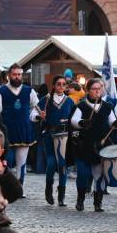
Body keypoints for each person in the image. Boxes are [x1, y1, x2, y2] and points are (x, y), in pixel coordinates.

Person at [70, 79, 117, 212]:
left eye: (99, 88)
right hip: (84, 145)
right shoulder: (82, 106)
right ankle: (80, 200)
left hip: (100, 145)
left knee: (99, 175)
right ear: (88, 90)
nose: (97, 91)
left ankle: (98, 202)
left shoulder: (107, 106)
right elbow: (73, 120)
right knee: (83, 174)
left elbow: (113, 120)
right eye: (94, 89)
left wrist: (116, 123)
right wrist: (81, 122)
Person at [0, 64, 38, 193]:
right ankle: (6, 187)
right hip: (6, 132)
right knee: (7, 161)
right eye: (14, 74)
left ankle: (19, 188)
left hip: (24, 130)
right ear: (9, 75)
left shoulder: (29, 91)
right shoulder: (0, 91)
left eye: (19, 74)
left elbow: (36, 109)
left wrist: (37, 117)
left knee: (21, 162)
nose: (17, 77)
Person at [31, 76, 74, 207]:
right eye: (58, 84)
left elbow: (75, 118)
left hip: (64, 135)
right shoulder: (46, 99)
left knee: (62, 164)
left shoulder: (69, 101)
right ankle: (48, 188)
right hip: (49, 134)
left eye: (63, 84)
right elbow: (32, 115)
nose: (61, 86)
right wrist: (39, 116)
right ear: (54, 86)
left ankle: (61, 195)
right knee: (51, 162)